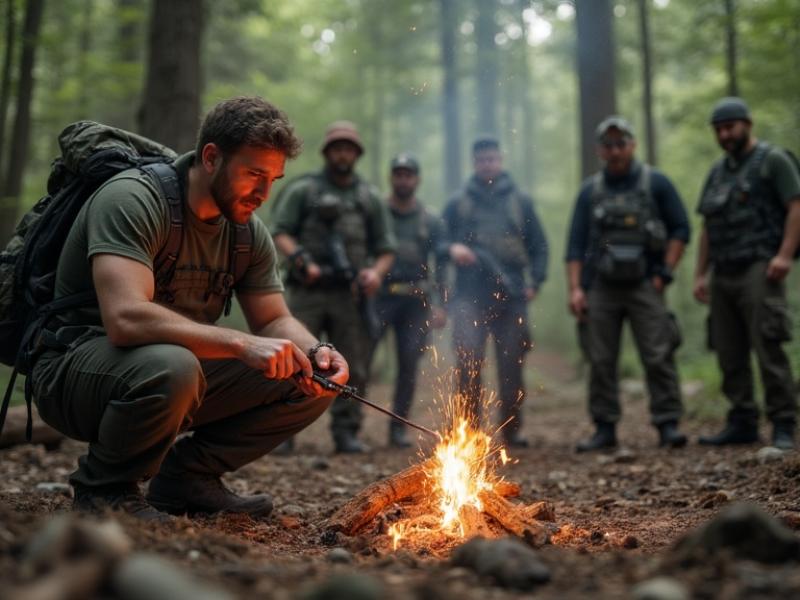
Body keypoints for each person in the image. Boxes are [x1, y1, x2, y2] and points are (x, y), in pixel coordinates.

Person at [29, 97, 349, 522]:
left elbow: (274, 318)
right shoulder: (134, 198)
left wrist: (318, 352)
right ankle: (105, 490)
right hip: (74, 369)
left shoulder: (246, 233)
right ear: (212, 157)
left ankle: (187, 478)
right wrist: (240, 343)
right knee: (175, 365)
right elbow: (125, 318)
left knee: (309, 380)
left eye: (273, 179)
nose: (263, 194)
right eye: (254, 174)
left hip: (170, 372)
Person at [565, 116, 690, 452]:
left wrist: (665, 273)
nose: (615, 150)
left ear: (633, 145)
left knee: (658, 354)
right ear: (599, 150)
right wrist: (576, 289)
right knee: (600, 359)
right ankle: (604, 428)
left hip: (645, 283)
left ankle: (668, 424)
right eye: (608, 145)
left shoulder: (656, 183)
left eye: (621, 143)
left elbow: (681, 229)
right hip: (601, 287)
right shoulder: (590, 191)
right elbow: (575, 245)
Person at [272, 121, 395, 454]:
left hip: (349, 295)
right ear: (327, 153)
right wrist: (301, 260)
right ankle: (282, 432)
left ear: (356, 154)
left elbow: (386, 248)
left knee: (353, 361)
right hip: (307, 292)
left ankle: (346, 431)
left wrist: (375, 274)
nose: (343, 154)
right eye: (337, 148)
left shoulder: (369, 197)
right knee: (294, 359)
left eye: (348, 149)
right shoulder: (304, 190)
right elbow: (280, 230)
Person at [694, 97, 800, 450]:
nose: (725, 134)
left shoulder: (773, 160)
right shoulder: (717, 172)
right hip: (723, 270)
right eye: (719, 129)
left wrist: (784, 255)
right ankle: (742, 421)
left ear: (747, 125)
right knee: (728, 349)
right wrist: (700, 274)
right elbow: (707, 227)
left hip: (760, 266)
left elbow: (796, 206)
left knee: (768, 345)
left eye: (730, 127)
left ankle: (783, 422)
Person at [441, 136, 548, 448]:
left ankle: (512, 431)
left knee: (512, 365)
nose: (487, 164)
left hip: (512, 297)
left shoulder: (520, 201)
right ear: (474, 163)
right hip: (468, 297)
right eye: (482, 160)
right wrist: (452, 249)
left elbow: (539, 246)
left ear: (501, 160)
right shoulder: (458, 203)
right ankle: (468, 433)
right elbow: (437, 242)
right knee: (468, 364)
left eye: (492, 159)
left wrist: (535, 282)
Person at [373, 153, 447, 448]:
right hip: (380, 297)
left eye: (408, 175)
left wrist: (440, 304)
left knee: (409, 365)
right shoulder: (377, 213)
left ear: (417, 179)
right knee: (361, 359)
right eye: (398, 174)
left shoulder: (430, 219)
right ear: (391, 177)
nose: (403, 180)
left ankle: (398, 429)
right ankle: (348, 428)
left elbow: (441, 264)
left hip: (416, 301)